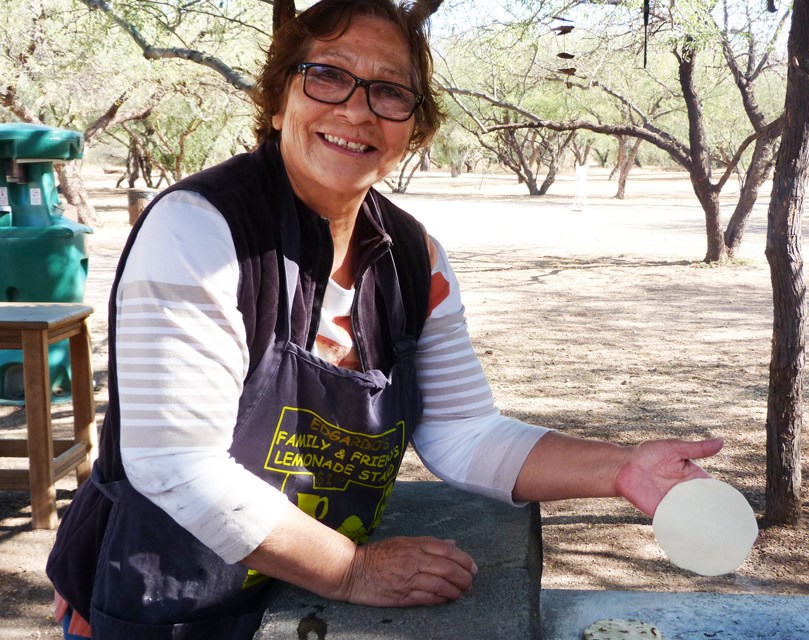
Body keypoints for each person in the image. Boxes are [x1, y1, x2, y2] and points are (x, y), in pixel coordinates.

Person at [46, 0, 723, 637]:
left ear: (413, 128)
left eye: (389, 91)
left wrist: (621, 468)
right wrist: (353, 569)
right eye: (327, 75)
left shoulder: (412, 257)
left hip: (296, 605)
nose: (358, 109)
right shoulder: (199, 231)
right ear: (280, 99)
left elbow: (465, 434)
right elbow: (177, 467)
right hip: (171, 600)